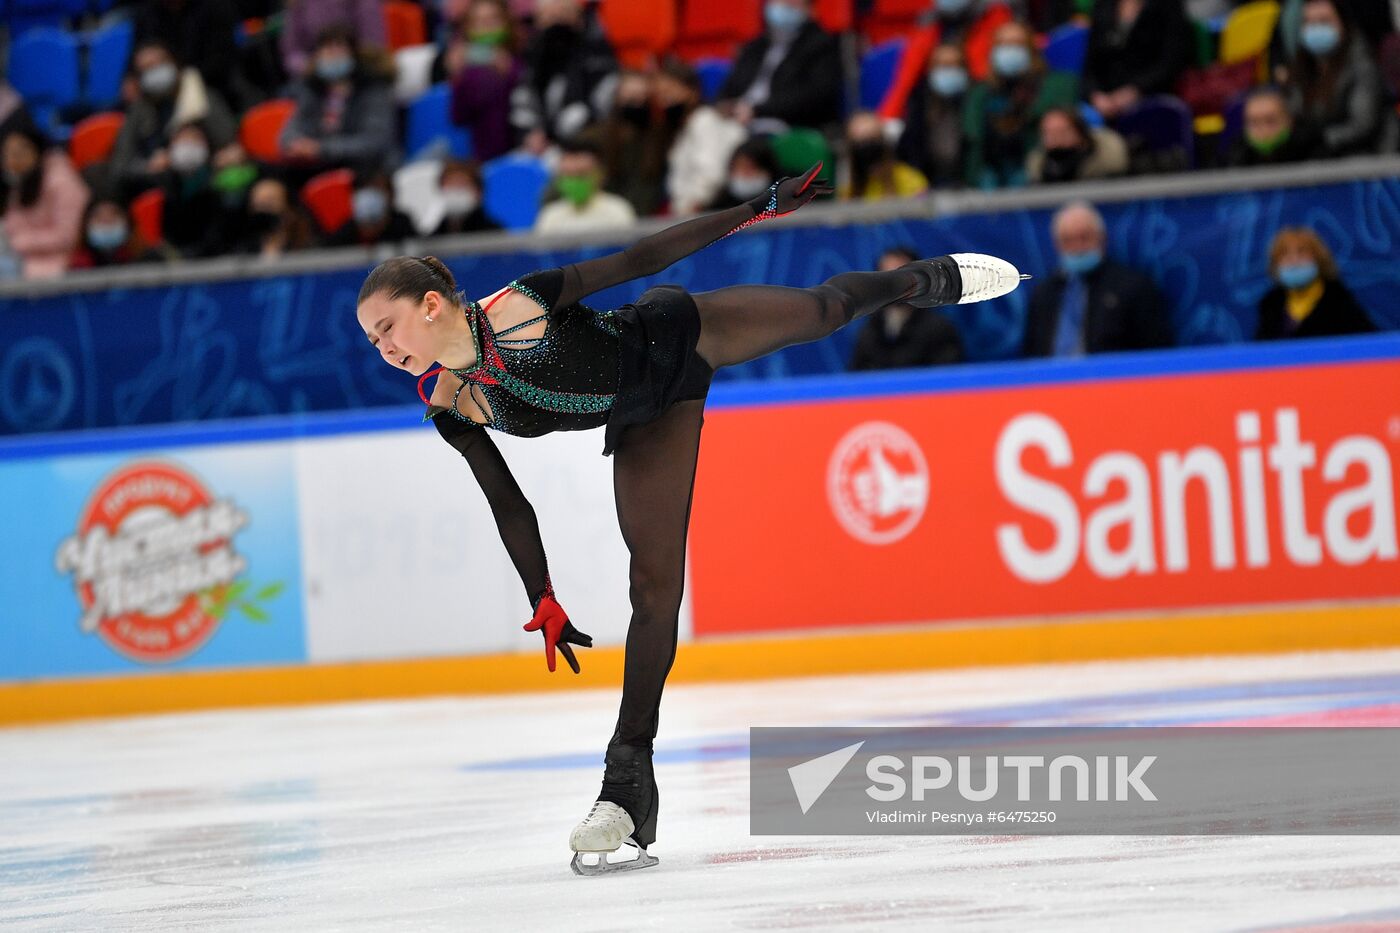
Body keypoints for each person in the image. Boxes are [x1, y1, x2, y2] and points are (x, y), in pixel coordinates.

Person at [352, 164, 1026, 875]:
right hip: (644, 414)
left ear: (431, 305)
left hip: (673, 338)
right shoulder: (450, 402)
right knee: (654, 588)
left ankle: (921, 280)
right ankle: (625, 786)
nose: (385, 348)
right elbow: (507, 501)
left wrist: (755, 208)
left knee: (824, 310)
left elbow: (641, 259)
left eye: (387, 327)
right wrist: (541, 594)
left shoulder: (518, 308)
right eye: (373, 341)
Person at [1023, 200, 1173, 356]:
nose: (1077, 248)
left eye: (1084, 237)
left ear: (1102, 238)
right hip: (1052, 380)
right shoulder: (1044, 294)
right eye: (1068, 240)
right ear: (1057, 244)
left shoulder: (1134, 288)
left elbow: (1157, 353)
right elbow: (1030, 355)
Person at [108, 39, 241, 197]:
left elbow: (229, 145)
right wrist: (148, 167)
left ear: (174, 62)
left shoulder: (203, 96)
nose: (156, 70)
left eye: (161, 62)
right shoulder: (138, 110)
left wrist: (215, 159)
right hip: (159, 186)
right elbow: (120, 166)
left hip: (209, 178)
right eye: (147, 68)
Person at [962, 20, 1078, 188]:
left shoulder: (1056, 86)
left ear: (1031, 49)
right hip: (989, 177)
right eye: (1002, 44)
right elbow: (972, 145)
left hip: (1036, 176)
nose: (1009, 50)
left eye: (1016, 44)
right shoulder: (980, 94)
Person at [280, 25, 398, 178]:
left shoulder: (373, 90)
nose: (332, 56)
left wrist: (321, 149)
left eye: (338, 50)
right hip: (319, 168)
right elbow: (289, 132)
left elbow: (374, 143)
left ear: (353, 55)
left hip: (366, 170)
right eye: (327, 50)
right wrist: (296, 145)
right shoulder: (312, 91)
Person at [715, 0, 842, 132]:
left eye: (792, 3)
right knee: (704, 120)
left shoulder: (822, 45)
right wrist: (725, 106)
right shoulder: (754, 47)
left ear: (810, 9)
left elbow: (813, 97)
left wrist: (756, 111)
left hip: (783, 123)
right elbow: (729, 87)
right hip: (738, 118)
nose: (784, 5)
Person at [1278, 0, 1383, 157]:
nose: (1316, 28)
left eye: (1324, 21)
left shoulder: (1363, 66)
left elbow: (1363, 125)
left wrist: (1322, 138)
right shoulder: (1299, 68)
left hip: (1360, 159)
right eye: (1309, 22)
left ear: (1344, 24)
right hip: (1312, 161)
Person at [511, 0, 618, 150]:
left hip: (585, 143)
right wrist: (528, 133)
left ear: (579, 20)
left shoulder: (596, 57)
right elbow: (523, 102)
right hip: (541, 147)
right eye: (550, 16)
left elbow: (603, 101)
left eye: (564, 14)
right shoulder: (531, 60)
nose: (557, 21)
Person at [850, 247, 965, 370]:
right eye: (884, 277)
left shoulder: (939, 329)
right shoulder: (869, 330)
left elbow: (948, 378)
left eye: (898, 277)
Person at [1, 123, 89, 279]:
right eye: (7, 154)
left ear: (38, 151)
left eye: (19, 153)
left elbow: (66, 236)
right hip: (17, 256)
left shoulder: (62, 183)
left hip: (58, 262)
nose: (12, 161)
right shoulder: (16, 181)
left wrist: (19, 243)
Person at [659, 58, 747, 216]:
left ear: (692, 91)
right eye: (661, 95)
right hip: (682, 211)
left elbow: (710, 174)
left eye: (671, 91)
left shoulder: (704, 121)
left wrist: (692, 208)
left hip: (702, 213)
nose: (666, 100)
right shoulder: (683, 127)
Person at [1255, 227, 1375, 339]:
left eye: (1301, 252)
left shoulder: (1339, 301)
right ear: (1275, 264)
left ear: (1319, 258)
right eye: (1284, 254)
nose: (1294, 260)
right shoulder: (1270, 305)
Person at [1083, 0, 1193, 122]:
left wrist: (1135, 90)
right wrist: (1095, 95)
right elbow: (1090, 63)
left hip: (1152, 92)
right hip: (1105, 97)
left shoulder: (1169, 5)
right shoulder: (1103, 4)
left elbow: (1171, 62)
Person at [446, 0, 524, 163]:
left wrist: (510, 74)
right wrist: (457, 77)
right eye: (479, 22)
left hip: (521, 150)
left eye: (493, 19)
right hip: (484, 157)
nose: (487, 26)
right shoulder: (469, 71)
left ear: (506, 22)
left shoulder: (525, 57)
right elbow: (458, 118)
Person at [897, 42, 972, 188]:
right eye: (943, 66)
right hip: (927, 183)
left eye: (953, 65)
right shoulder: (919, 102)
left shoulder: (975, 101)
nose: (948, 71)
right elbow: (909, 151)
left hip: (968, 183)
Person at [533, 139, 637, 234]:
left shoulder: (618, 211)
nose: (574, 181)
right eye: (568, 175)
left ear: (600, 175)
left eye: (581, 174)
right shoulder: (550, 216)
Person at [281, 0, 386, 79]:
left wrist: (344, 59)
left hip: (360, 73)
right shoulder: (298, 4)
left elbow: (374, 48)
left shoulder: (366, 3)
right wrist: (309, 65)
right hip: (315, 78)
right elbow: (291, 52)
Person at [1026, 106, 1129, 183]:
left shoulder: (1107, 168)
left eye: (1062, 132)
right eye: (1048, 133)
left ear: (1080, 134)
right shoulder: (1041, 170)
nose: (1055, 139)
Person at [842, 111, 930, 200]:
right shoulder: (848, 191)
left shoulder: (913, 182)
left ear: (885, 146)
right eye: (859, 145)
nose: (867, 153)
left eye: (872, 142)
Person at [1227, 86, 1322, 167]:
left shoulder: (1313, 153)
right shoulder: (1234, 157)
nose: (1262, 129)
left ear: (1289, 120)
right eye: (1254, 122)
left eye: (1270, 121)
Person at [70, 196, 171, 269]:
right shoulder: (74, 266)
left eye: (114, 215)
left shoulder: (150, 260)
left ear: (129, 224)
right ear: (85, 226)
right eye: (98, 217)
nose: (107, 222)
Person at [327, 173, 418, 247]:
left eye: (379, 190)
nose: (372, 196)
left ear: (391, 194)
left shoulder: (402, 223)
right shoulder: (346, 230)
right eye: (369, 188)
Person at [239, 177, 316, 259]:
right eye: (258, 205)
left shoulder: (313, 250)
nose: (263, 211)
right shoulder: (242, 252)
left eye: (269, 203)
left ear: (289, 211)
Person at [705, 138, 781, 211]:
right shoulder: (719, 205)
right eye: (740, 168)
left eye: (751, 168)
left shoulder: (785, 198)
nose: (746, 174)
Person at [432, 160, 500, 236]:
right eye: (450, 185)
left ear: (479, 192)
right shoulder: (434, 236)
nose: (456, 191)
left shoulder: (494, 233)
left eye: (462, 184)